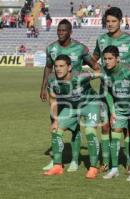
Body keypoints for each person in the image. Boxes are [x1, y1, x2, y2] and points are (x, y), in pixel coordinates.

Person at [40, 19, 99, 172]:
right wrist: (43, 87)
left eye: (64, 30)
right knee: (55, 125)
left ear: (70, 32)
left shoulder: (80, 48)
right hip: (59, 93)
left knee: (75, 129)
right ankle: (56, 162)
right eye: (59, 30)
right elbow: (47, 68)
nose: (60, 33)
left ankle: (74, 160)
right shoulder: (51, 48)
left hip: (78, 93)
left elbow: (94, 65)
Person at [92, 7, 130, 173]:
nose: (110, 24)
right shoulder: (101, 39)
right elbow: (93, 58)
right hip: (106, 89)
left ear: (120, 22)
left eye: (114, 21)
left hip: (127, 92)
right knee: (106, 126)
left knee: (128, 127)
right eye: (107, 21)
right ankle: (106, 161)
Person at [43, 54, 101, 179]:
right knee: (56, 130)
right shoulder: (52, 79)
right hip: (70, 106)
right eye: (56, 66)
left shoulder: (81, 76)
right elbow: (53, 100)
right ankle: (58, 166)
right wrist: (55, 120)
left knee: (90, 131)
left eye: (61, 66)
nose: (58, 69)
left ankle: (93, 167)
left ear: (69, 67)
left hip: (90, 104)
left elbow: (100, 73)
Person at [99, 46, 130, 181]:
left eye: (110, 58)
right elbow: (108, 94)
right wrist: (112, 112)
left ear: (117, 59)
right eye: (105, 59)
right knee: (115, 136)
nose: (107, 61)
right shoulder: (104, 72)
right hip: (118, 108)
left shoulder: (129, 71)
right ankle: (114, 169)